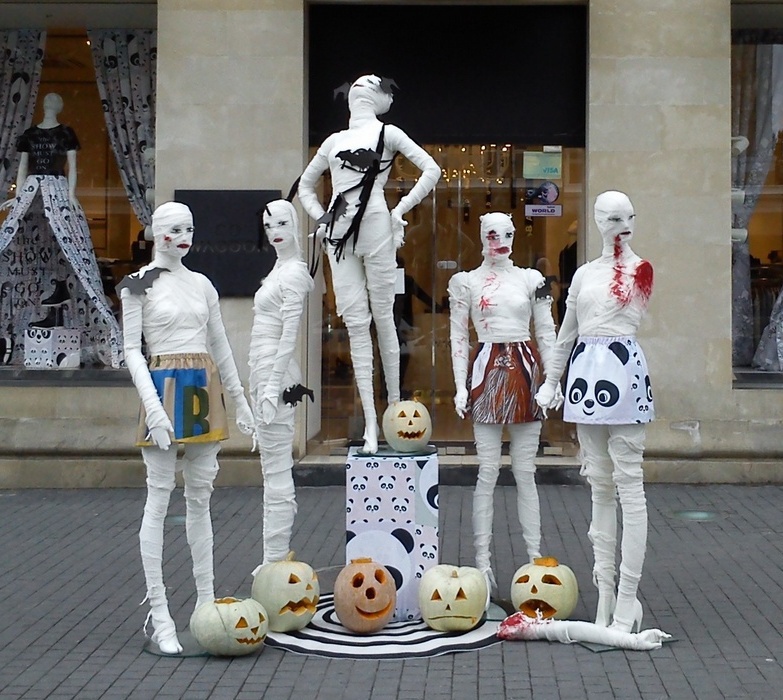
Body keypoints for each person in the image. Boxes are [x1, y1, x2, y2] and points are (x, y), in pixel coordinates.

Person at [119, 202, 255, 654]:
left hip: (201, 388)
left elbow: (220, 344)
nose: (184, 237)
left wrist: (240, 400)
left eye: (190, 229)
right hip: (163, 387)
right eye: (175, 229)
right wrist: (154, 408)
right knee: (158, 498)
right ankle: (160, 614)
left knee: (201, 500)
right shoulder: (137, 285)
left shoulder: (202, 284)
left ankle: (205, 604)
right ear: (158, 233)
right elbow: (132, 350)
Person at [298, 74, 440, 454]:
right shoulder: (337, 141)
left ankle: (390, 414)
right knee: (365, 323)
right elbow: (305, 186)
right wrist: (397, 209)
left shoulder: (381, 134)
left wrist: (398, 209)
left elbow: (432, 169)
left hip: (366, 225)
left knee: (377, 319)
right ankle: (377, 422)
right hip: (350, 229)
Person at [535, 190, 654, 633]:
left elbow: (624, 312)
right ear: (598, 222)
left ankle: (626, 600)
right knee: (599, 487)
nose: (623, 227)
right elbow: (566, 333)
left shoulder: (641, 270)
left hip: (621, 373)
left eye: (629, 217)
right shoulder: (584, 274)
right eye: (613, 218)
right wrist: (551, 381)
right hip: (586, 377)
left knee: (630, 487)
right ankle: (604, 597)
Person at [448, 212, 559, 593]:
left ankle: (535, 559)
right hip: (486, 368)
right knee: (488, 471)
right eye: (493, 234)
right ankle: (482, 564)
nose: (500, 242)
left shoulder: (531, 279)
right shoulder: (466, 282)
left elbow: (547, 330)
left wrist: (552, 380)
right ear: (482, 236)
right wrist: (460, 385)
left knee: (526, 471)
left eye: (507, 234)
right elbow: (458, 336)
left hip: (525, 371)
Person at [0, 92, 122, 367]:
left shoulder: (66, 133)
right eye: (48, 102)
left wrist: (71, 195)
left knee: (68, 239)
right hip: (33, 189)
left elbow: (72, 167)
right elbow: (22, 168)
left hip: (57, 187)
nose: (50, 105)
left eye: (55, 102)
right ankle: (52, 303)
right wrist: (19, 199)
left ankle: (60, 298)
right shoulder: (29, 135)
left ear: (60, 106)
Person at [248, 199, 314, 564]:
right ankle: (271, 557)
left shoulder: (293, 273)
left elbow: (290, 334)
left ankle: (274, 558)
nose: (275, 232)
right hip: (264, 371)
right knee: (269, 469)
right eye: (268, 225)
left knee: (276, 470)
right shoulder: (278, 269)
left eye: (282, 224)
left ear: (294, 225)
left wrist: (272, 387)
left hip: (277, 374)